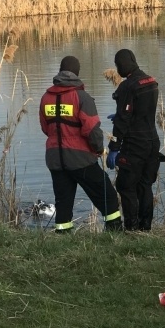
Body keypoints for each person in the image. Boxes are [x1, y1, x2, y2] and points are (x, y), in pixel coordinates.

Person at [40, 56, 123, 233]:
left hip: (55, 159)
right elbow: (92, 130)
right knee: (107, 194)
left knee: (63, 200)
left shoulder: (46, 98)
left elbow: (46, 128)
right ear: (77, 73)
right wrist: (99, 149)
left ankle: (63, 233)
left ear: (60, 71)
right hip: (80, 158)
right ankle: (115, 231)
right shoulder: (82, 97)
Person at [106, 49, 163, 231]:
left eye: (118, 65)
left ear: (122, 64)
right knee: (145, 185)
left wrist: (114, 147)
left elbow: (123, 121)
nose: (117, 69)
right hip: (152, 141)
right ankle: (145, 227)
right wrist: (122, 115)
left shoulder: (128, 86)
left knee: (126, 186)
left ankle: (131, 228)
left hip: (134, 145)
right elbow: (140, 112)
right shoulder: (151, 82)